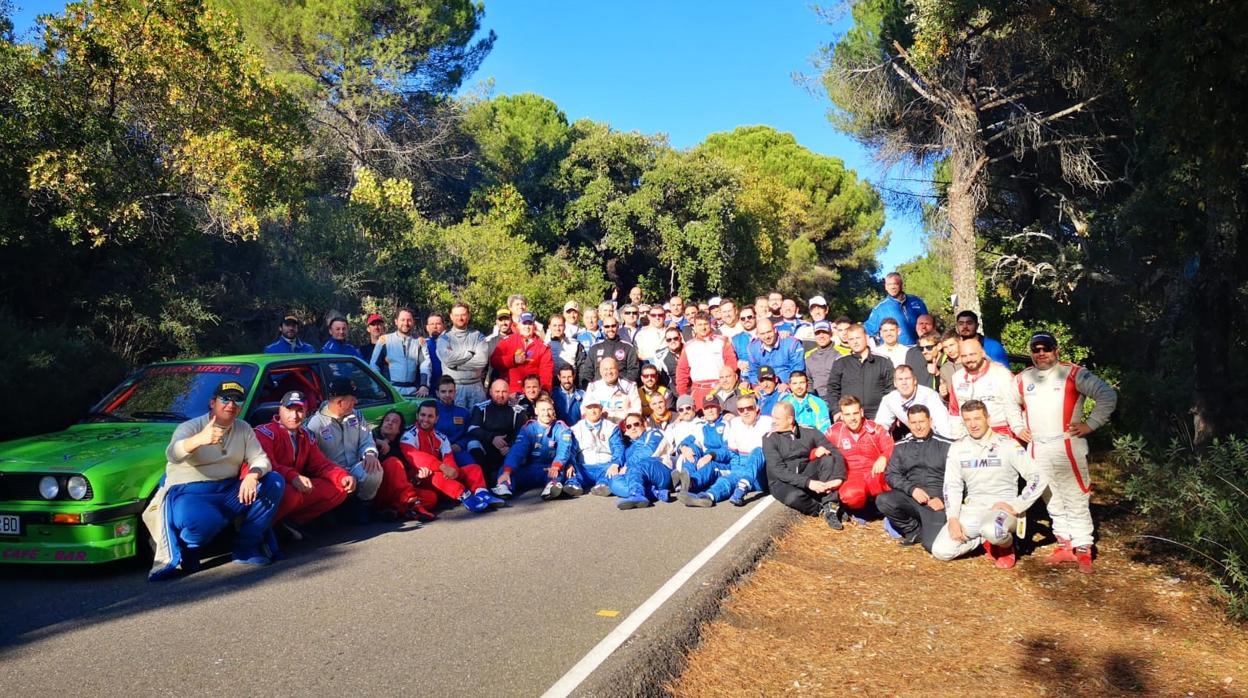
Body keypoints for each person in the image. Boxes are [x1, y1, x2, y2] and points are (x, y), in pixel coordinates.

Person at [146, 381, 285, 579]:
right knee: (204, 520)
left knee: (274, 482)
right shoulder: (190, 427)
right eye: (225, 399)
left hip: (229, 489)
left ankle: (246, 547)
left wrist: (253, 475)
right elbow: (173, 454)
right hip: (191, 492)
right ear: (213, 402)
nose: (231, 404)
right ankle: (189, 548)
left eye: (237, 400)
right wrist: (199, 440)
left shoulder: (244, 428)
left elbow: (260, 458)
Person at [1013, 331, 1118, 573]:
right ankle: (1064, 543)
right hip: (1038, 446)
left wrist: (1091, 424)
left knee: (1075, 496)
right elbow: (1008, 401)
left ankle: (1083, 548)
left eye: (1046, 349)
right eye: (1036, 350)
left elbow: (1107, 394)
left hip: (1067, 444)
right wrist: (1018, 426)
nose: (1041, 354)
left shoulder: (1073, 373)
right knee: (1050, 496)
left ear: (1055, 350)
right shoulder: (1023, 378)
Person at [932, 400, 1047, 569]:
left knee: (993, 530)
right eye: (968, 420)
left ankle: (1006, 546)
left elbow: (1038, 477)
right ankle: (983, 540)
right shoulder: (957, 448)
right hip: (973, 509)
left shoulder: (1008, 444)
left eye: (977, 418)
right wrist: (953, 518)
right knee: (941, 551)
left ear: (988, 419)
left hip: (1002, 510)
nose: (973, 424)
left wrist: (1017, 505)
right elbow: (952, 486)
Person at [307, 378, 429, 521]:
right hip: (333, 474)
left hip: (355, 467)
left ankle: (362, 506)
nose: (356, 402)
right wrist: (335, 474)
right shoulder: (315, 425)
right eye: (352, 399)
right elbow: (314, 460)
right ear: (340, 402)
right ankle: (337, 510)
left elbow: (366, 439)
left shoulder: (356, 415)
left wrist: (370, 453)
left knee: (374, 469)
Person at [255, 391, 356, 540]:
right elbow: (266, 465)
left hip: (295, 487)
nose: (294, 416)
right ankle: (263, 526)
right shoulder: (264, 432)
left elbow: (320, 464)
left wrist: (342, 476)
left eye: (300, 410)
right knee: (290, 493)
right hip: (270, 488)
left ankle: (289, 523)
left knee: (339, 488)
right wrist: (293, 477)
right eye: (289, 409)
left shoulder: (306, 436)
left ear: (306, 413)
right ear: (280, 409)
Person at [401, 402, 503, 513]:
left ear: (436, 419)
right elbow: (415, 456)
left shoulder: (441, 437)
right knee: (437, 475)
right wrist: (442, 467)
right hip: (420, 479)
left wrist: (452, 470)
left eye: (430, 416)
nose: (425, 419)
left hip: (442, 475)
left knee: (473, 468)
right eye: (422, 415)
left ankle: (482, 494)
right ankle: (466, 497)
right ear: (417, 416)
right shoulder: (409, 435)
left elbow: (448, 456)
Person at [875, 405, 952, 551]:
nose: (918, 427)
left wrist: (943, 500)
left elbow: (958, 479)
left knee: (932, 546)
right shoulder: (901, 446)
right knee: (884, 500)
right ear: (909, 424)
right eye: (913, 423)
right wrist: (912, 489)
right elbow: (891, 475)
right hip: (913, 497)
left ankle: (932, 528)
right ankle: (914, 530)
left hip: (937, 502)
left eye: (921, 422)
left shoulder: (947, 446)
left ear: (930, 421)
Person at [761, 401, 847, 529]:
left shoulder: (809, 431)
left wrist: (839, 478)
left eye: (777, 418)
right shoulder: (769, 438)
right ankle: (819, 509)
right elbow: (779, 471)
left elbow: (835, 452)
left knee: (827, 459)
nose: (773, 421)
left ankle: (831, 507)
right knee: (794, 497)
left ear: (790, 419)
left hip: (804, 471)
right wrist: (809, 483)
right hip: (782, 482)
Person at [677, 393, 772, 507]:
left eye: (749, 408)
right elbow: (732, 453)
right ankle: (706, 496)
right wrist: (683, 447)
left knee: (757, 451)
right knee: (726, 480)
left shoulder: (768, 422)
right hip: (739, 466)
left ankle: (742, 486)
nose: (745, 412)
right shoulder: (736, 423)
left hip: (759, 471)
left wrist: (711, 455)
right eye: (741, 409)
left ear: (757, 409)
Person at [826, 395, 894, 520]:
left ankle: (882, 506)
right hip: (852, 477)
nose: (852, 418)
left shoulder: (875, 428)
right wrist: (816, 452)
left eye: (855, 413)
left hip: (874, 473)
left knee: (889, 481)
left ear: (861, 412)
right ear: (841, 416)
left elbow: (891, 447)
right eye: (847, 414)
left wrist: (884, 457)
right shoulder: (834, 432)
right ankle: (862, 508)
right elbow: (818, 449)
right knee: (851, 494)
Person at [498, 396, 578, 500]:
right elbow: (517, 451)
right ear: (536, 411)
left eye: (549, 409)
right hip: (530, 468)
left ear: (553, 411)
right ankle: (505, 486)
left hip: (550, 468)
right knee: (504, 470)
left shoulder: (562, 428)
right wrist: (507, 471)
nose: (546, 413)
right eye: (543, 410)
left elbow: (564, 450)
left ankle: (552, 487)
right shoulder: (528, 428)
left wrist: (556, 465)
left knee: (559, 472)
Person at [947, 336, 1025, 439]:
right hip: (969, 436)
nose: (969, 359)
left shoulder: (1002, 375)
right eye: (964, 356)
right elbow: (954, 412)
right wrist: (956, 438)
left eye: (972, 354)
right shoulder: (957, 378)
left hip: (1001, 435)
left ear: (983, 353)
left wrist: (1018, 431)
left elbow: (1019, 407)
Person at [826, 324, 894, 419]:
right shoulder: (840, 362)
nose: (855, 342)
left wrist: (891, 414)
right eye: (851, 339)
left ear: (866, 337)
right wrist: (836, 411)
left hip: (878, 416)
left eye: (858, 338)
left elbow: (891, 390)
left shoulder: (883, 361)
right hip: (849, 417)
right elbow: (832, 389)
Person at [467, 379, 528, 485]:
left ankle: (506, 481)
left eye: (504, 392)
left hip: (507, 449)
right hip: (487, 447)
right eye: (497, 392)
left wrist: (510, 446)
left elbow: (522, 433)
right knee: (472, 444)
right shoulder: (480, 408)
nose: (501, 395)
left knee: (521, 446)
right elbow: (472, 428)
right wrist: (492, 438)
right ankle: (483, 481)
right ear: (490, 392)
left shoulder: (518, 410)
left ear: (509, 392)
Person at [676, 312, 738, 408]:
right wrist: (683, 396)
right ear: (694, 327)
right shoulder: (688, 347)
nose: (703, 327)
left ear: (710, 324)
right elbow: (682, 372)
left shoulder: (723, 341)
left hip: (721, 388)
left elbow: (731, 364)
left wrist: (724, 383)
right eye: (700, 325)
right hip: (699, 391)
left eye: (705, 324)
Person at [874, 364, 952, 440]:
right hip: (914, 437)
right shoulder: (889, 399)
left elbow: (943, 427)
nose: (904, 383)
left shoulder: (929, 396)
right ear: (895, 383)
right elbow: (880, 427)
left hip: (935, 436)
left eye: (907, 378)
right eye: (900, 379)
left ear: (915, 381)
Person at [571, 396, 628, 496]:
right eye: (590, 408)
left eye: (596, 407)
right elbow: (571, 449)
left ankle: (603, 485)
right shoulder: (576, 428)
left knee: (610, 473)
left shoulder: (611, 427)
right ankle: (573, 485)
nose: (593, 411)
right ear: (585, 411)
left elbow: (618, 447)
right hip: (584, 466)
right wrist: (569, 463)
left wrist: (615, 463)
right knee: (574, 470)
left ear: (601, 410)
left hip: (605, 465)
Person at [614, 414, 673, 510]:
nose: (633, 428)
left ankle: (637, 494)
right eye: (629, 426)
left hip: (659, 469)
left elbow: (650, 451)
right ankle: (654, 493)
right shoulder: (629, 449)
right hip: (639, 475)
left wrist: (628, 466)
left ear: (644, 424)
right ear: (626, 430)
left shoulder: (654, 433)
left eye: (636, 424)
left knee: (636, 467)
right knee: (614, 481)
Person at [438, 302, 489, 409]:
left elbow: (482, 360)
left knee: (477, 422)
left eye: (463, 314)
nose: (460, 318)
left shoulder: (478, 336)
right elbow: (448, 360)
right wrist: (469, 354)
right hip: (454, 389)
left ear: (468, 316)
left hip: (476, 388)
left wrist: (457, 366)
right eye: (456, 315)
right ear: (451, 317)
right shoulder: (444, 338)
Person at [370, 308, 429, 398]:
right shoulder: (385, 340)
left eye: (409, 320)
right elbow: (374, 365)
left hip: (414, 393)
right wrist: (378, 389)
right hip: (391, 392)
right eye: (402, 320)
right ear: (396, 321)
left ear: (413, 322)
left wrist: (424, 385)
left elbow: (425, 365)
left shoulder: (420, 341)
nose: (406, 323)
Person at [491, 312, 554, 393]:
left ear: (534, 326)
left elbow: (546, 373)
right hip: (509, 391)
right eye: (524, 323)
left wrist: (544, 390)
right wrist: (512, 359)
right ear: (519, 325)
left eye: (530, 324)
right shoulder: (507, 341)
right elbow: (494, 361)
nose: (527, 327)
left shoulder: (543, 347)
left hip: (531, 393)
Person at [864, 272, 929, 346]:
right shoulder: (880, 309)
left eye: (895, 284)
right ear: (885, 287)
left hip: (918, 348)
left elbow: (929, 325)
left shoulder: (916, 301)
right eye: (889, 284)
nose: (892, 287)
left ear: (901, 285)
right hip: (894, 353)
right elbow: (866, 331)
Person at [745, 318, 806, 387]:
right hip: (765, 387)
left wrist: (788, 384)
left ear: (775, 330)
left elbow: (798, 369)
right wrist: (756, 386)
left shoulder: (791, 343)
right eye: (762, 334)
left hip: (789, 386)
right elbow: (753, 372)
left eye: (769, 332)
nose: (767, 336)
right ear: (758, 335)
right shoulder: (753, 348)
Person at [583, 357, 642, 425]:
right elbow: (584, 410)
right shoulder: (593, 387)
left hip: (625, 428)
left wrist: (626, 423)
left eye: (612, 368)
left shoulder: (629, 386)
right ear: (600, 371)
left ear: (617, 370)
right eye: (605, 369)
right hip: (601, 428)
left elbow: (637, 409)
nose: (609, 372)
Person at [583, 315, 640, 384]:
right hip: (599, 390)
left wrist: (623, 386)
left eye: (613, 326)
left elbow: (634, 371)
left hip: (621, 390)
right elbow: (587, 372)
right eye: (607, 326)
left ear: (618, 326)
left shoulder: (628, 347)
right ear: (603, 328)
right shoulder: (595, 348)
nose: (610, 329)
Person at [804, 321, 840, 399]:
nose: (821, 336)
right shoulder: (809, 357)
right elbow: (809, 381)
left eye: (824, 332)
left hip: (835, 397)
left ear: (831, 334)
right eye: (818, 333)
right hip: (816, 398)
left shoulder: (840, 354)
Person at [547, 314, 586, 386]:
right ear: (549, 327)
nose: (558, 328)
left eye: (560, 325)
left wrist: (582, 387)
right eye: (554, 325)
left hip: (572, 384)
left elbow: (582, 368)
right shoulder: (545, 346)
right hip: (552, 385)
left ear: (565, 326)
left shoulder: (575, 344)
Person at [937, 330, 962, 401]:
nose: (949, 350)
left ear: (960, 342)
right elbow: (945, 399)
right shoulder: (944, 369)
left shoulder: (971, 362)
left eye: (952, 345)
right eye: (945, 347)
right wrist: (943, 395)